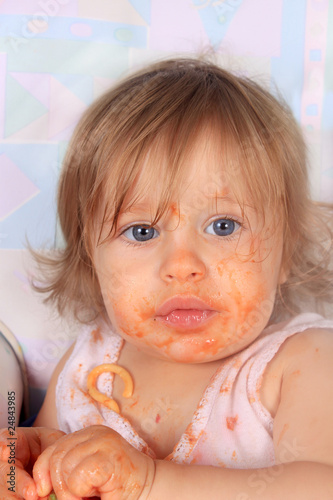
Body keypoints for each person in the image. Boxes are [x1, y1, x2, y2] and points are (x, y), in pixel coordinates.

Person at [1, 57, 333, 500]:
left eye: (223, 226)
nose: (182, 266)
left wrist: (153, 483)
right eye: (142, 231)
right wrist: (26, 470)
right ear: (90, 258)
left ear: (286, 251)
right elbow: (41, 476)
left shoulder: (300, 363)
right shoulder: (86, 365)